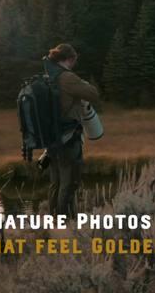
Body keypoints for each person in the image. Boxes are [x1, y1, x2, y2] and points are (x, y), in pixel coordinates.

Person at [44, 43, 100, 218]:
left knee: (56, 183)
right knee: (70, 183)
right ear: (70, 59)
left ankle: (53, 221)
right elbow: (93, 94)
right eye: (74, 60)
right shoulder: (67, 77)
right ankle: (65, 224)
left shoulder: (48, 76)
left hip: (50, 139)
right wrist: (82, 82)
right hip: (68, 138)